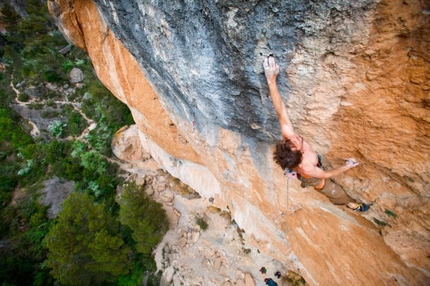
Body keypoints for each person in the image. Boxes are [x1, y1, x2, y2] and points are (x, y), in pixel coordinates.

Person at [263, 55, 369, 212]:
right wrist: (346, 167)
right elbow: (325, 175)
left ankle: (290, 171)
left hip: (302, 164)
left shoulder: (288, 138)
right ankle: (351, 205)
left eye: (290, 141)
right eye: (295, 143)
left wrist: (271, 81)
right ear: (300, 155)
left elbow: (280, 109)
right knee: (334, 192)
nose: (295, 137)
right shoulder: (307, 168)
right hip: (313, 177)